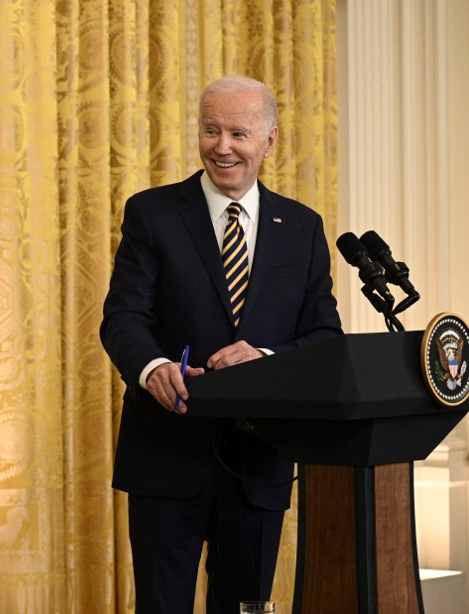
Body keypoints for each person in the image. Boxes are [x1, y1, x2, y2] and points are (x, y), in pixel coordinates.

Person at [100, 75, 342, 613]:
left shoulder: (302, 228)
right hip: (166, 455)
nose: (222, 147)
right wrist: (153, 367)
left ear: (270, 141)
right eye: (211, 130)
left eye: (238, 132)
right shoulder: (153, 213)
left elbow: (325, 338)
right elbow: (122, 317)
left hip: (259, 464)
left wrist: (266, 359)